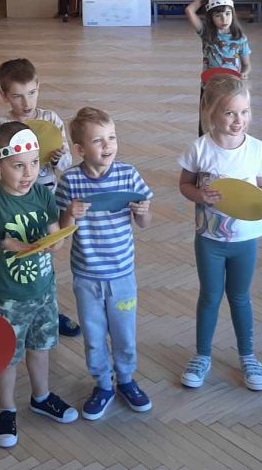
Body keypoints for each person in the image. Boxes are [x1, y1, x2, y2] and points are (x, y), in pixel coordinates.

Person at [0, 124, 78, 449]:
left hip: (44, 291)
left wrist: (65, 223)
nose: (29, 173)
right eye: (18, 165)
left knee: (40, 348)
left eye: (35, 163)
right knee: (7, 357)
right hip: (8, 298)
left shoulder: (42, 194)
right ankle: (6, 409)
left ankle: (41, 396)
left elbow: (56, 242)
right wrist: (4, 243)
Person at [177, 74, 262, 392]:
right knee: (209, 297)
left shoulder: (256, 148)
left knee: (240, 297)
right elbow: (185, 184)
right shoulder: (200, 148)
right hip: (209, 240)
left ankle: (248, 356)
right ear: (211, 113)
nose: (238, 120)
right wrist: (199, 195)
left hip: (245, 240)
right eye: (230, 113)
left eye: (244, 112)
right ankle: (202, 355)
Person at [56, 107, 154, 420]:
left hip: (122, 275)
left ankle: (125, 379)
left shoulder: (128, 174)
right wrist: (70, 213)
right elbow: (62, 229)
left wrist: (142, 213)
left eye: (111, 137)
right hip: (86, 276)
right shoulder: (70, 181)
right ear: (80, 150)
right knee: (94, 337)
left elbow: (144, 223)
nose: (108, 145)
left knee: (125, 333)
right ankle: (102, 384)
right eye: (98, 140)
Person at [0, 59, 80, 337]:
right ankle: (8, 307)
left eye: (32, 93)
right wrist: (6, 145)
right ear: (4, 96)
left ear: (38, 87)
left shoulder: (51, 120)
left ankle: (47, 308)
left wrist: (59, 157)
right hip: (11, 203)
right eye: (17, 96)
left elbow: (66, 162)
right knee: (14, 254)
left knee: (45, 253)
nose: (26, 102)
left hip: (44, 200)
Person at [185, 0, 251, 78]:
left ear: (233, 14)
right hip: (210, 82)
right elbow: (189, 10)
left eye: (227, 13)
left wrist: (244, 73)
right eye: (218, 15)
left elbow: (246, 65)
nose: (224, 19)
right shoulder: (206, 32)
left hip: (232, 81)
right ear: (211, 18)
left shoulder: (240, 38)